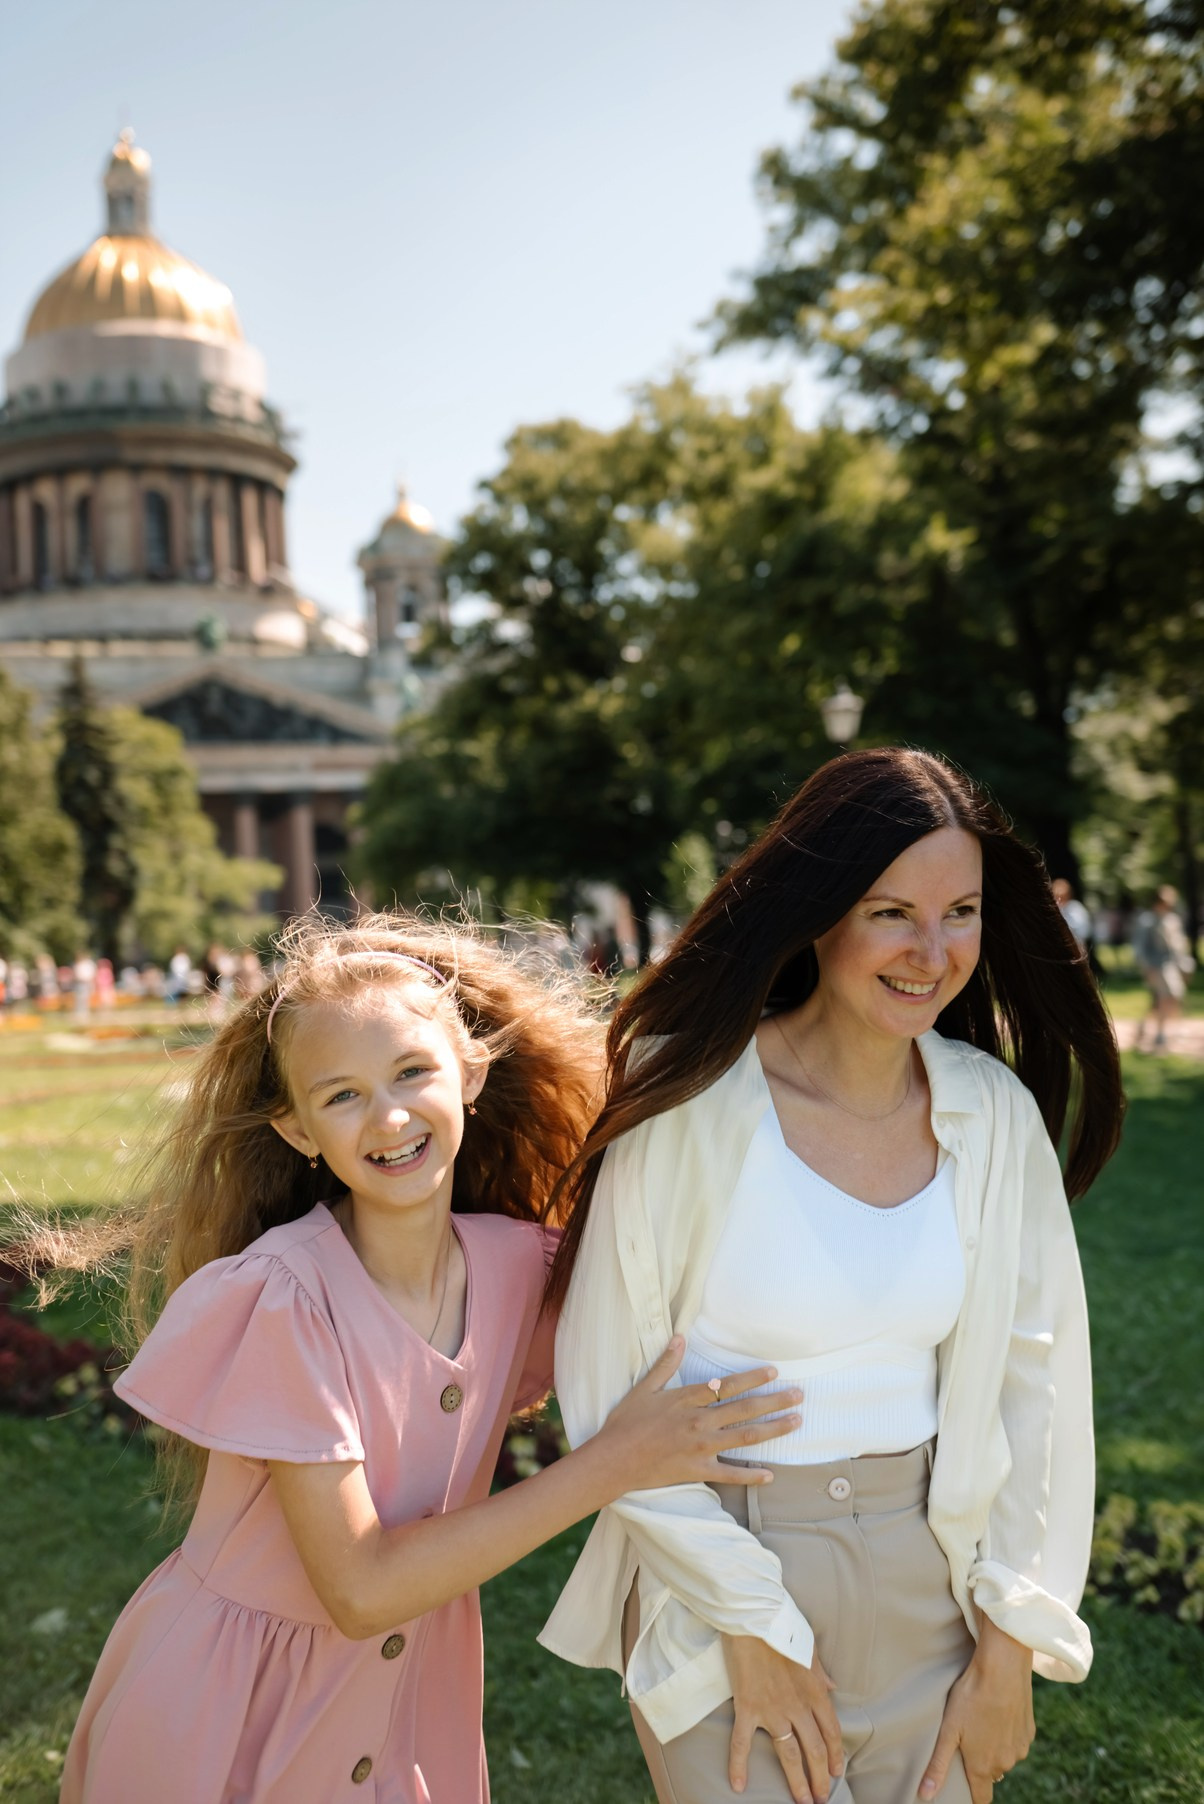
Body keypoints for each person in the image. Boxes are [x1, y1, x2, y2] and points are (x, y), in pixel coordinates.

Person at [58, 913, 797, 1804]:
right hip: (232, 1713)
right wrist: (613, 1464)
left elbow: (689, 1265)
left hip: (413, 1710)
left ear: (472, 1073)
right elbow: (362, 1591)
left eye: (413, 1071)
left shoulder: (526, 1265)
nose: (391, 1115)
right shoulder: (286, 1299)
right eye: (342, 1095)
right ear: (298, 1132)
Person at [540, 748, 1124, 1804]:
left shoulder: (989, 1116)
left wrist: (1009, 1644)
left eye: (960, 912)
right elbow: (602, 1388)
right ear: (819, 913)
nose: (931, 950)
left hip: (929, 1581)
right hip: (716, 1573)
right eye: (889, 911)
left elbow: (1038, 1390)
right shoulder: (690, 1099)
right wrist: (748, 1622)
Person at [1131, 885, 1194, 1053]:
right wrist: (1145, 967)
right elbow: (1139, 947)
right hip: (1155, 966)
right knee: (1167, 996)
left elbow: (1178, 945)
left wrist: (1185, 963)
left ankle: (1145, 1028)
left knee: (1161, 999)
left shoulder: (1172, 919)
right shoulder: (1148, 920)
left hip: (1170, 966)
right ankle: (1160, 1033)